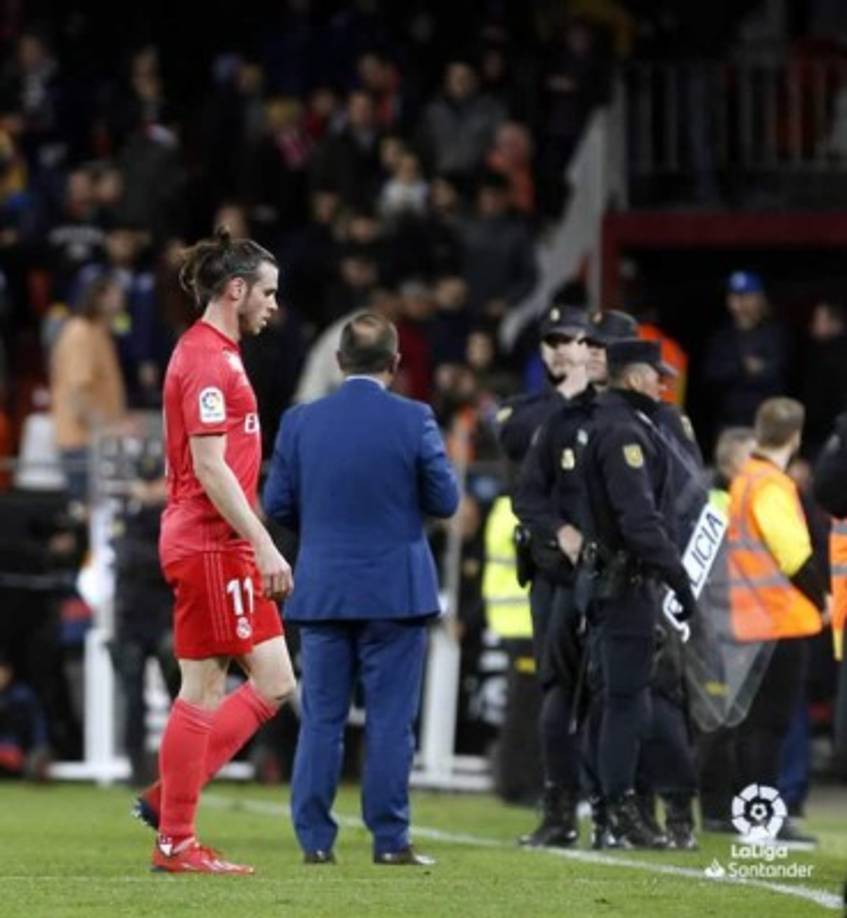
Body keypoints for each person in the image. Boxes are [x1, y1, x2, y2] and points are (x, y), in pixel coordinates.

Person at [263, 311, 459, 866]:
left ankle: (315, 842)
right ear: (396, 365)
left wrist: (324, 529)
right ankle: (390, 840)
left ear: (338, 361)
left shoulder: (301, 422)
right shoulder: (415, 418)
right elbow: (444, 500)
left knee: (321, 721)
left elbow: (275, 504)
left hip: (324, 589)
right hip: (396, 591)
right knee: (391, 723)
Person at [135, 227, 296, 875]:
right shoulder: (205, 358)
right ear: (236, 290)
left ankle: (169, 797)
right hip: (209, 541)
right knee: (202, 686)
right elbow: (209, 466)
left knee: (277, 681)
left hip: (218, 542)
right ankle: (176, 838)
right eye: (267, 293)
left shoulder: (221, 355)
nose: (273, 305)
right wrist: (262, 542)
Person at [581, 338, 699, 847]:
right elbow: (639, 520)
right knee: (626, 702)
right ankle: (617, 810)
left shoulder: (621, 423)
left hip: (617, 579)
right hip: (627, 582)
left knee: (621, 701)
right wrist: (678, 575)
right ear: (633, 378)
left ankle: (613, 809)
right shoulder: (623, 430)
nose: (663, 383)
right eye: (656, 374)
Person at [728, 398, 825, 845]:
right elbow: (792, 555)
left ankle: (752, 814)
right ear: (796, 436)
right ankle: (764, 819)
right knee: (772, 727)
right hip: (780, 621)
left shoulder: (744, 479)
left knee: (755, 727)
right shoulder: (772, 485)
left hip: (749, 620)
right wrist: (820, 596)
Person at [49, 274, 127, 503]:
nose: (122, 301)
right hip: (82, 444)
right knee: (89, 516)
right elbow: (78, 394)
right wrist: (107, 429)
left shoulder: (99, 333)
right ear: (100, 298)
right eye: (116, 295)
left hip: (96, 444)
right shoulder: (80, 333)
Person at [701, 271, 791, 433]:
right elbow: (712, 373)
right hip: (730, 422)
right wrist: (743, 367)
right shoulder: (723, 336)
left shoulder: (775, 333)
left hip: (766, 423)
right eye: (733, 298)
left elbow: (780, 372)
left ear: (758, 299)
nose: (736, 305)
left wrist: (756, 371)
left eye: (743, 298)